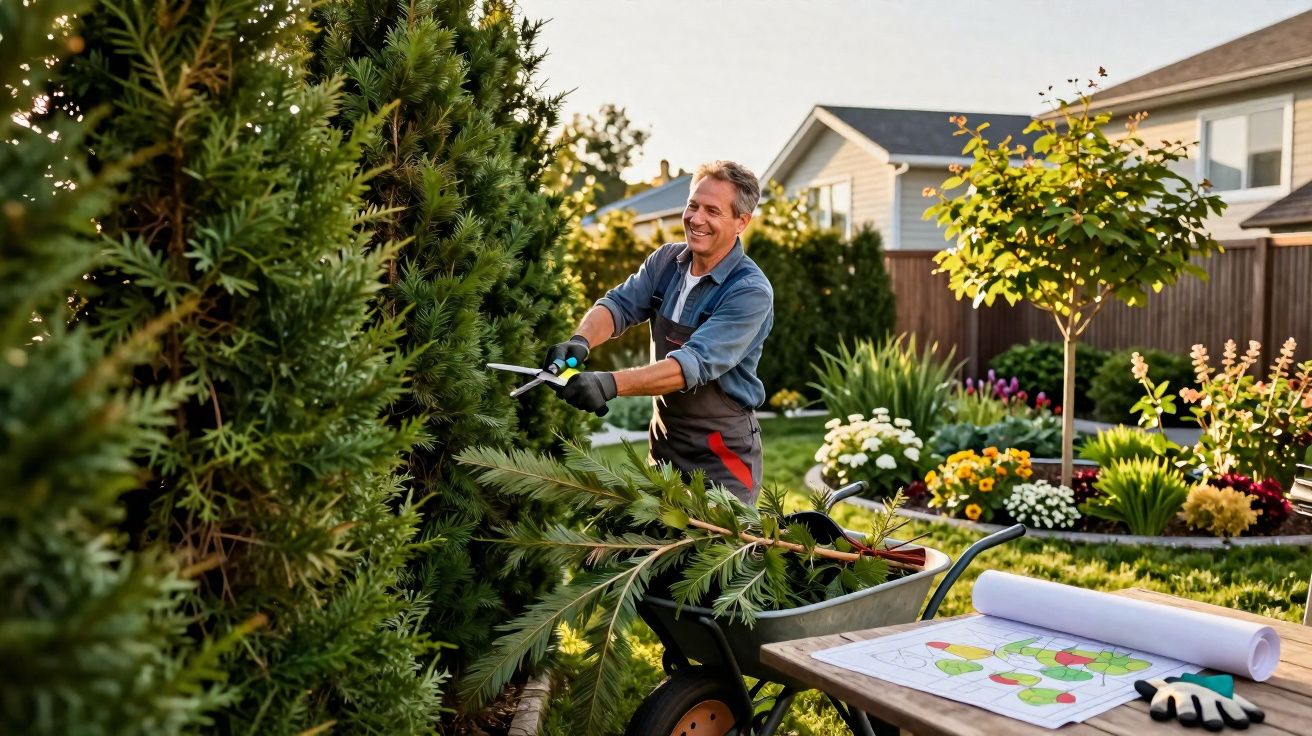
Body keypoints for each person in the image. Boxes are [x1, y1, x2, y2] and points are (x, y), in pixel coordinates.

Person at [543, 160, 774, 503]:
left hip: (722, 460)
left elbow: (691, 365)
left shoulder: (749, 291)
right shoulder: (667, 261)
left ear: (742, 221)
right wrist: (580, 341)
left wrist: (610, 383)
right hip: (665, 449)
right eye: (693, 205)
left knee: (711, 556)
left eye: (712, 210)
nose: (696, 219)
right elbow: (618, 305)